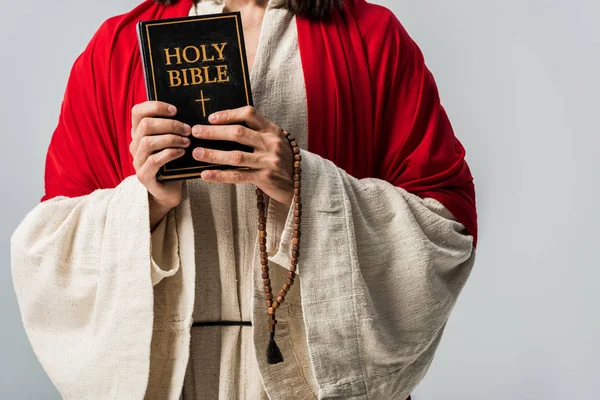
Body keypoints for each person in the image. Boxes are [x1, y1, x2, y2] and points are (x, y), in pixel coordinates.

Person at [10, 0, 478, 398]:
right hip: (178, 375)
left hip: (311, 375)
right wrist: (145, 203)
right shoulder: (117, 48)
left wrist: (302, 183)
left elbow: (445, 224)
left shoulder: (371, 36)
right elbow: (50, 249)